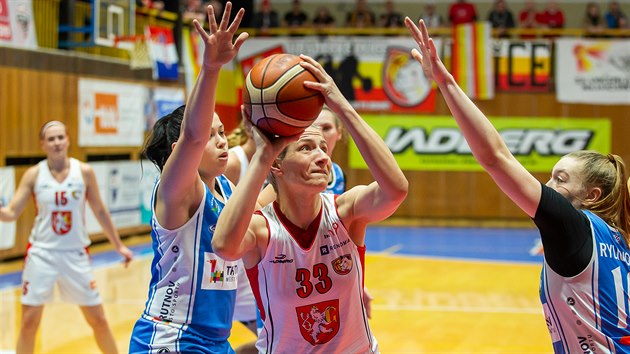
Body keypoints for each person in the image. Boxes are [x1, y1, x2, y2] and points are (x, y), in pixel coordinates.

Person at [405, 17, 630, 352]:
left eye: (561, 179)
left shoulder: (573, 226)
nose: (547, 184)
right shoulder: (617, 240)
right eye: (551, 175)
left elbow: (495, 157)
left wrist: (446, 82)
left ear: (591, 195)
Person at [212, 54, 408, 352]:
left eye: (322, 147)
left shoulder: (346, 211)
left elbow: (396, 190)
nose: (322, 156)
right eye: (306, 147)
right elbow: (224, 246)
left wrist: (341, 104)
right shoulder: (262, 230)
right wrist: (262, 157)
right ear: (277, 165)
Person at [128, 3, 248, 353]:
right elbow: (193, 137)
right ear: (184, 150)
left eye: (223, 132)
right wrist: (211, 67)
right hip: (172, 337)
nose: (222, 141)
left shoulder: (225, 187)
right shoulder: (177, 189)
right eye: (212, 136)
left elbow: (261, 198)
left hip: (214, 340)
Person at [0, 120, 134, 354]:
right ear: (42, 144)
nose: (56, 142)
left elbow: (100, 211)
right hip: (42, 254)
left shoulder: (84, 172)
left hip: (75, 254)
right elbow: (11, 213)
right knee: (29, 322)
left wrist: (119, 246)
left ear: (68, 139)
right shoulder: (34, 175)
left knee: (98, 319)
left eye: (60, 137)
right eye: (51, 139)